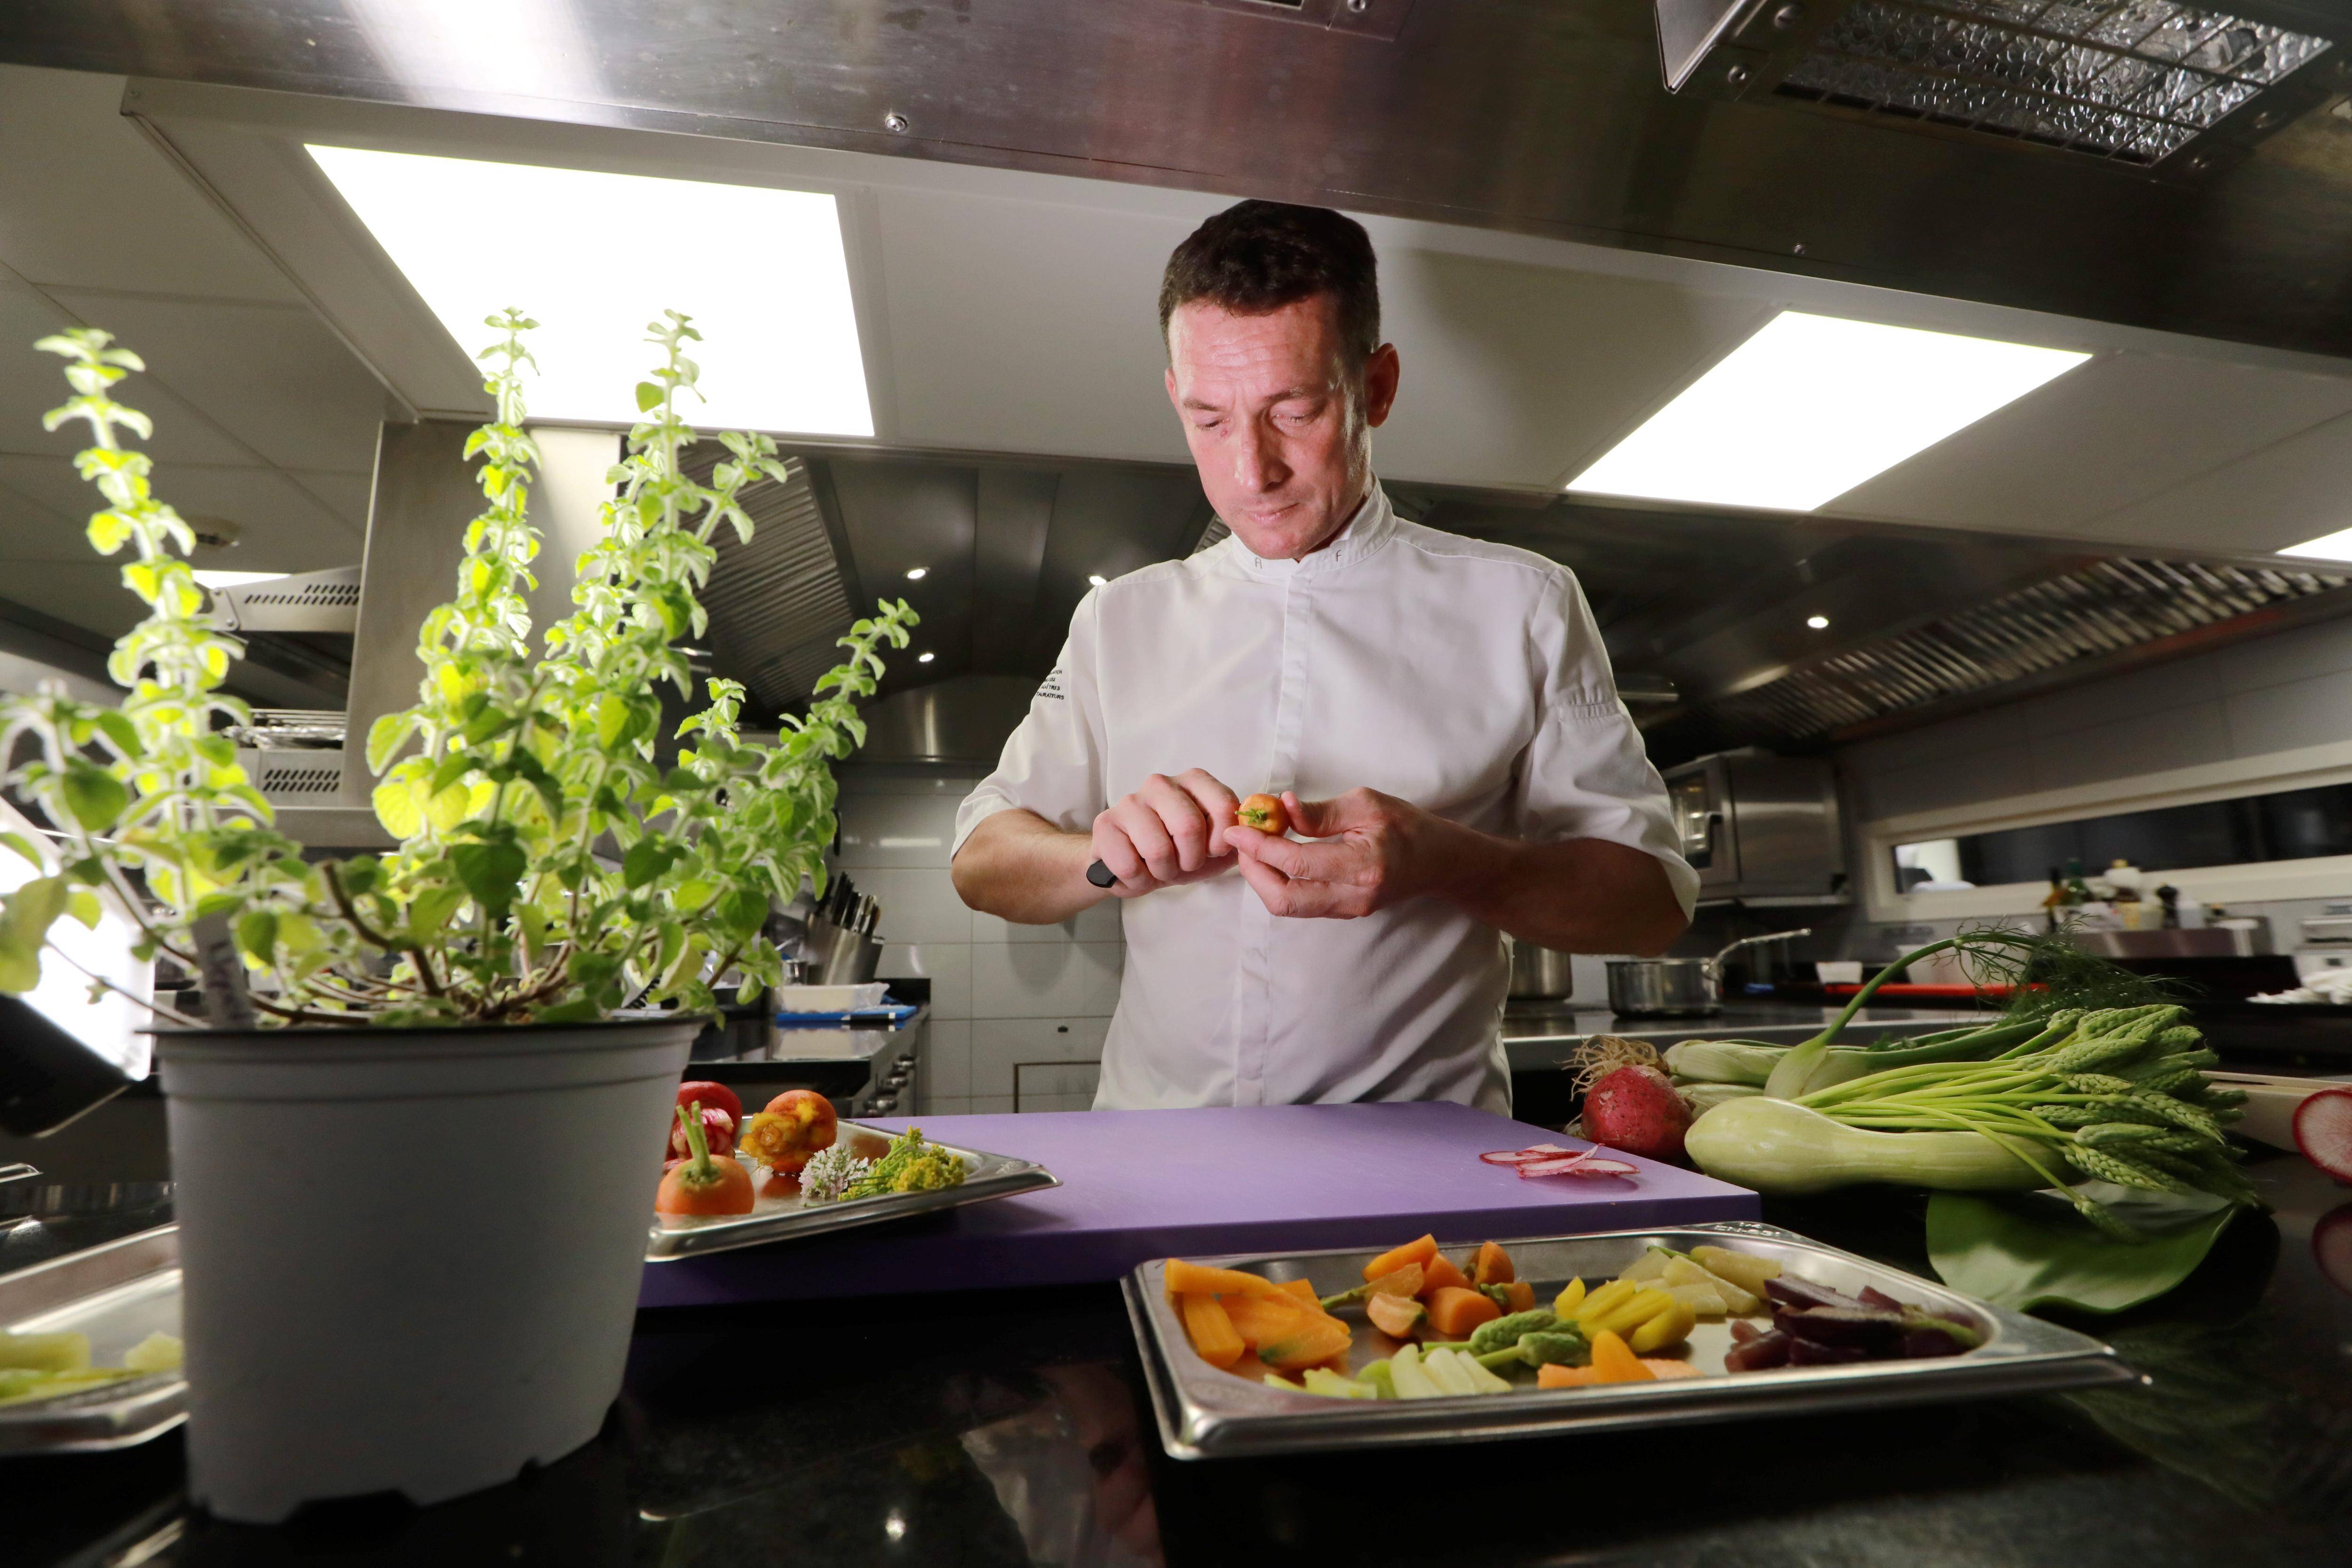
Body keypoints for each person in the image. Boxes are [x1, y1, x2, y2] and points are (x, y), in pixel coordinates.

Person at [950, 200, 1695, 1114]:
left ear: (1375, 387)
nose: (1251, 471)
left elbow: (1652, 904)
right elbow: (981, 860)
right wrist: (1103, 856)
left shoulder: (1523, 603)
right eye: (1208, 419)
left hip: (1416, 1161)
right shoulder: (1120, 618)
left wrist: (1452, 862)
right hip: (1161, 1147)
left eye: (1294, 411)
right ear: (1175, 396)